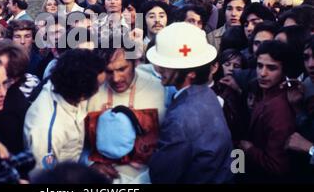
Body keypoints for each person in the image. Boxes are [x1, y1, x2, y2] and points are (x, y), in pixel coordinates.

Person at [147, 22, 233, 183]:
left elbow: (162, 175)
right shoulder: (207, 94)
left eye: (167, 66)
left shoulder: (180, 118)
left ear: (191, 73)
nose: (159, 69)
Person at [86, 38, 167, 183]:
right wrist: (90, 164)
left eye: (122, 69)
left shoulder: (158, 89)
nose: (116, 79)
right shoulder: (91, 91)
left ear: (135, 63)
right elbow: (76, 141)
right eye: (108, 72)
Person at [24, 49, 106, 170]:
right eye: (98, 86)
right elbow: (43, 178)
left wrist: (91, 165)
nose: (99, 91)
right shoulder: (46, 129)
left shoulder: (67, 85)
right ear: (82, 93)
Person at [238, 41, 297, 182]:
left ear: (284, 70)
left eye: (271, 68)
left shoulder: (278, 108)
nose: (263, 73)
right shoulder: (259, 91)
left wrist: (249, 149)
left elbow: (278, 166)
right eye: (259, 66)